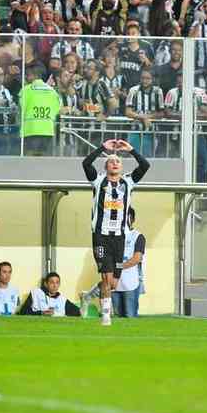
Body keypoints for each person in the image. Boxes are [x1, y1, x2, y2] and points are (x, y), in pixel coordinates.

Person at [82, 138, 150, 326]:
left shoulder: (129, 182)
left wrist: (131, 150)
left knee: (113, 283)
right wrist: (102, 147)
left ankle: (88, 296)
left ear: (121, 167)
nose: (115, 163)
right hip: (101, 235)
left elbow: (145, 165)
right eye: (111, 161)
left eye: (118, 161)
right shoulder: (97, 181)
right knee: (106, 277)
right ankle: (105, 316)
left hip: (120, 237)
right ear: (106, 166)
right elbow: (86, 163)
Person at [112, 207, 146, 318]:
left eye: (128, 217)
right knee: (117, 316)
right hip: (114, 284)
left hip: (130, 284)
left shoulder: (138, 236)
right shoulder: (113, 235)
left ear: (133, 219)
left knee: (130, 316)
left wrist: (119, 266)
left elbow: (137, 258)